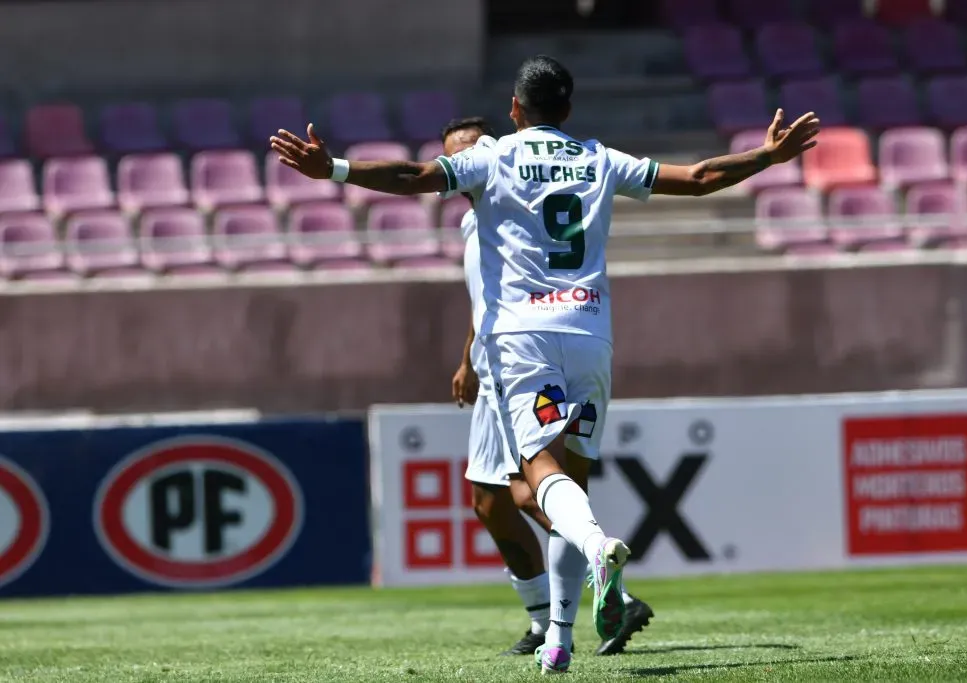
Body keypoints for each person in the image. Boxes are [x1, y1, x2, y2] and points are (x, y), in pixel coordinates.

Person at [271, 55, 819, 674]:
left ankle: (599, 550)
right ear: (568, 109)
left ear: (513, 110)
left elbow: (411, 175)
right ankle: (558, 638)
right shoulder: (599, 158)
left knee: (536, 474)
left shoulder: (495, 156)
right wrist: (767, 158)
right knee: (568, 488)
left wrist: (335, 168)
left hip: (523, 340)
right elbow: (697, 178)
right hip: (590, 334)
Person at [443, 116, 655, 658]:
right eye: (454, 153)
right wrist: (467, 356)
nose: (463, 160)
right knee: (493, 500)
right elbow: (487, 295)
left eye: (470, 148)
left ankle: (590, 598)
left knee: (522, 488)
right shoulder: (476, 223)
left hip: (517, 361)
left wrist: (336, 169)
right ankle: (552, 623)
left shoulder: (507, 199)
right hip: (514, 357)